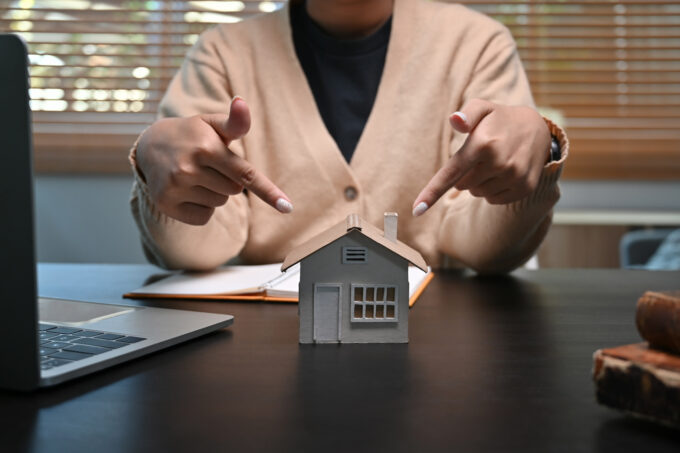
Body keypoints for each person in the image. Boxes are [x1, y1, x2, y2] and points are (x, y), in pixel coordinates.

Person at [129, 0, 568, 273]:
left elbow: (486, 248)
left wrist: (538, 156)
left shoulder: (477, 44)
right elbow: (196, 250)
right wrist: (158, 178)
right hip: (265, 343)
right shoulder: (222, 53)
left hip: (436, 335)